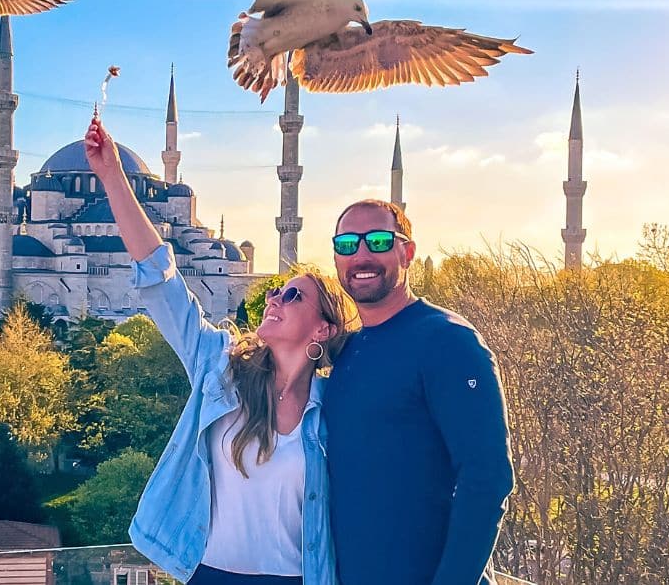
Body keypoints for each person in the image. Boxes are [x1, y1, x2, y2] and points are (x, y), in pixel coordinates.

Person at [84, 118, 359, 585]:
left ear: (323, 328)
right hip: (211, 573)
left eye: (293, 296)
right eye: (275, 291)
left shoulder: (334, 408)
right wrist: (112, 176)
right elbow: (161, 280)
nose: (273, 299)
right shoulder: (221, 369)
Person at [324, 199, 515, 585]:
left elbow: (487, 477)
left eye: (377, 241)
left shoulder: (447, 342)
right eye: (347, 244)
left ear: (406, 252)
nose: (361, 254)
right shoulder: (347, 352)